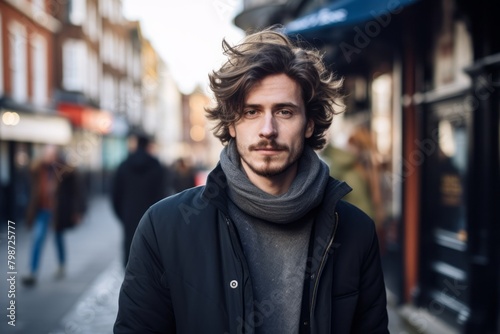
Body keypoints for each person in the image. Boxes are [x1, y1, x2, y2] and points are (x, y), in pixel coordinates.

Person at [114, 28, 389, 333]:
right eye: (251, 112)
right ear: (231, 123)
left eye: (284, 112)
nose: (267, 129)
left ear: (309, 124)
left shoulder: (355, 231)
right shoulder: (164, 227)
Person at [22, 144, 83, 286]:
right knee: (38, 238)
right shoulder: (38, 169)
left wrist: (78, 211)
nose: (49, 156)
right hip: (42, 210)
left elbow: (76, 191)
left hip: (57, 211)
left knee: (58, 238)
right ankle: (32, 271)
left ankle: (61, 264)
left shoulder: (64, 170)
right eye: (47, 153)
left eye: (52, 154)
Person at [111, 131, 165, 268]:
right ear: (148, 146)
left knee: (130, 250)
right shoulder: (157, 167)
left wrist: (123, 215)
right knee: (151, 251)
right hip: (152, 216)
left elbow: (115, 195)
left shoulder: (123, 166)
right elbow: (163, 194)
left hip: (129, 215)